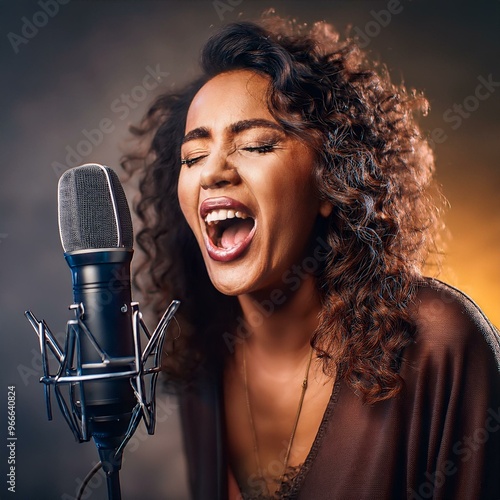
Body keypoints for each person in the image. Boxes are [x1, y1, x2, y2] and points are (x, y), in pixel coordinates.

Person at [122, 14, 500, 500]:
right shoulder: (201, 359)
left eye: (256, 144)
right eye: (193, 157)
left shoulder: (437, 343)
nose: (213, 171)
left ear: (330, 181)